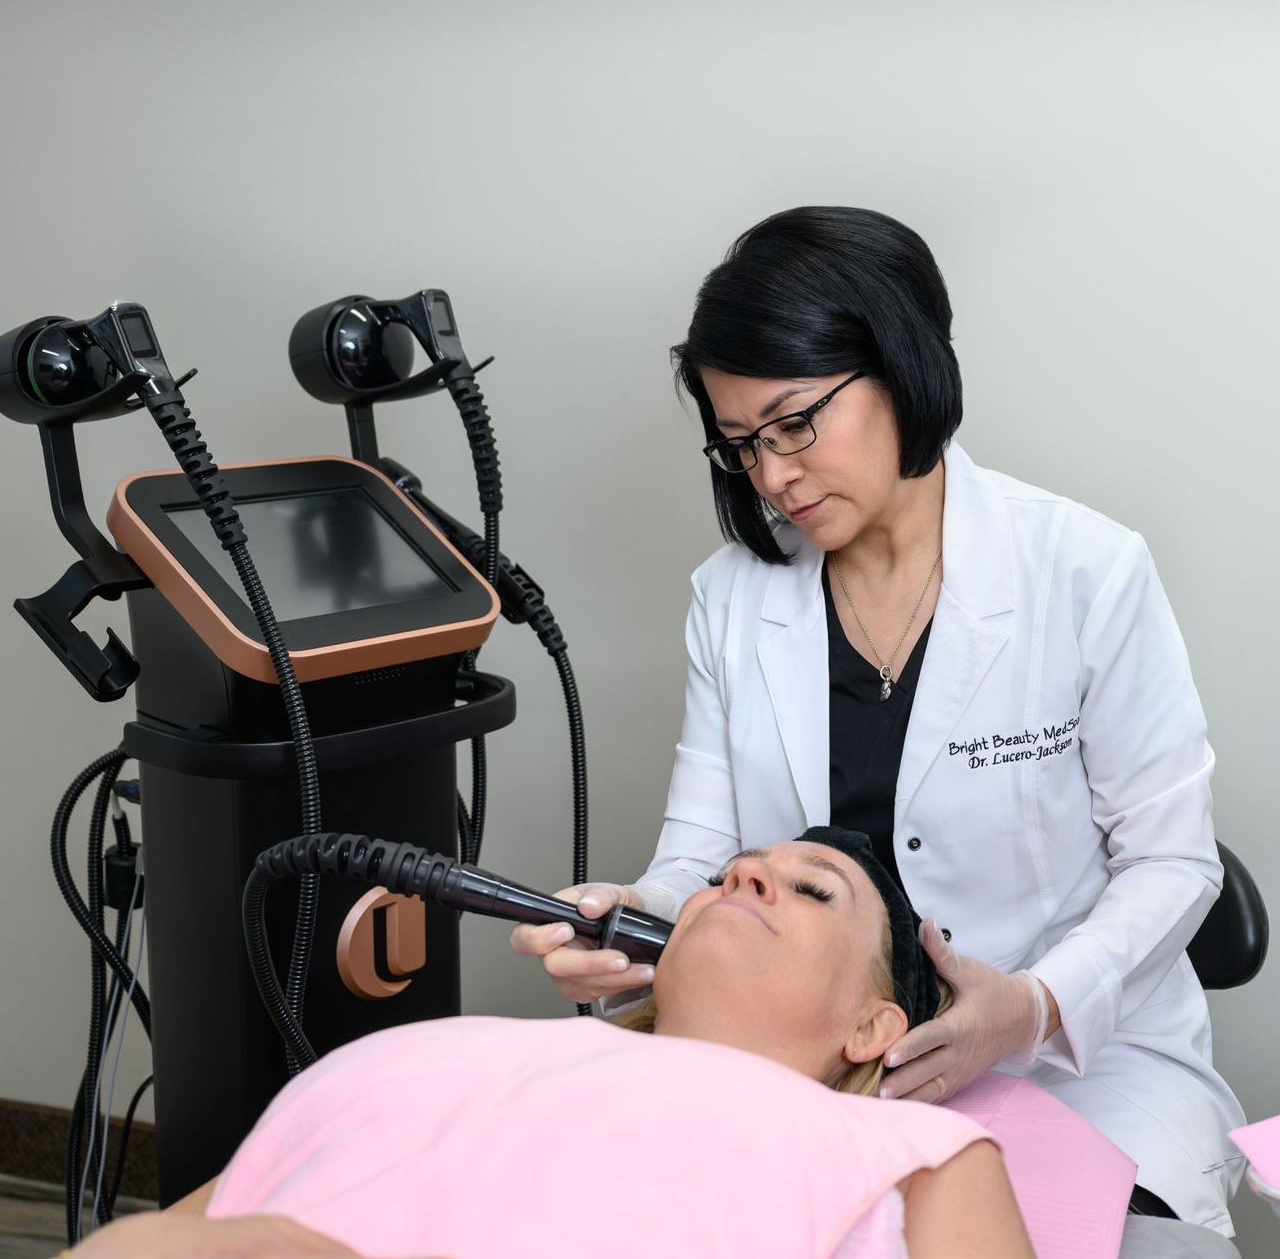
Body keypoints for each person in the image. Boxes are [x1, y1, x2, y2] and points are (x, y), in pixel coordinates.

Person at [511, 206, 1246, 1240]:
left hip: (1078, 1074)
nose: (770, 475)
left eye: (793, 424)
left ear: (901, 366)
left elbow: (1173, 863)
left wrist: (1031, 1006)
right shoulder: (730, 600)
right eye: (739, 446)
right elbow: (696, 858)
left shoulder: (1082, 571)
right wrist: (632, 917)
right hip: (816, 1071)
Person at [62, 829, 1033, 1259]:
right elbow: (206, 1221)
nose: (744, 873)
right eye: (728, 870)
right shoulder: (427, 1046)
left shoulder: (905, 1149)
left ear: (873, 1026)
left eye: (811, 886)